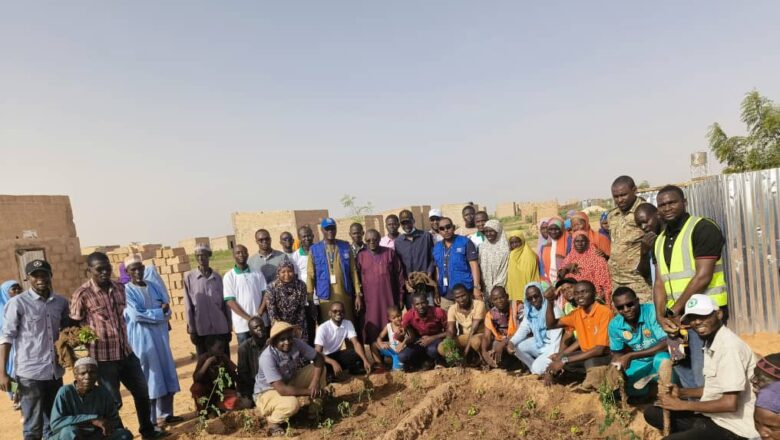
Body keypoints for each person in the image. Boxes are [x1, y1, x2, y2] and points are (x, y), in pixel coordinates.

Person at [71, 253, 165, 439]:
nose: (105, 272)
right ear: (89, 270)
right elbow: (73, 331)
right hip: (103, 360)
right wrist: (82, 358)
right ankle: (119, 434)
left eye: (107, 267)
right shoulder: (82, 294)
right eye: (99, 269)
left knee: (142, 392)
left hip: (127, 353)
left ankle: (147, 430)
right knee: (113, 401)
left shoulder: (119, 288)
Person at [643, 294, 760, 439]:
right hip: (714, 416)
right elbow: (716, 388)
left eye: (703, 316)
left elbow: (730, 403)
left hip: (733, 426)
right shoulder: (711, 342)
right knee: (652, 413)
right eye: (692, 318)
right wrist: (682, 393)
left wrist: (682, 405)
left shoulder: (729, 347)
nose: (697, 322)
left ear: (719, 314)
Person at [652, 185, 728, 389]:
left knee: (704, 371)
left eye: (672, 202)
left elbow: (703, 276)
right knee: (681, 365)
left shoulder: (703, 228)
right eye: (662, 205)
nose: (667, 208)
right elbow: (659, 282)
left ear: (684, 203)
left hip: (704, 316)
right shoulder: (659, 240)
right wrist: (661, 316)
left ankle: (711, 415)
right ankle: (695, 413)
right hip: (674, 320)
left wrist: (675, 310)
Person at [0, 260, 70, 440]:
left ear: (50, 275)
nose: (40, 279)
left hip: (55, 372)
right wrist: (2, 373)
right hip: (29, 374)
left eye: (44, 274)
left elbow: (67, 332)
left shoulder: (61, 302)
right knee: (32, 427)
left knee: (54, 423)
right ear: (28, 278)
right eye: (35, 275)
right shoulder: (18, 303)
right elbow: (6, 338)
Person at [123, 256, 182, 428]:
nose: (137, 272)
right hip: (143, 340)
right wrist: (158, 313)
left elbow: (168, 309)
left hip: (161, 337)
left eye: (139, 268)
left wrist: (159, 312)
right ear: (128, 272)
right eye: (133, 269)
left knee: (166, 372)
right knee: (151, 377)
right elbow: (136, 315)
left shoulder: (154, 286)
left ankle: (166, 414)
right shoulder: (127, 291)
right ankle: (151, 420)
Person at [254, 322, 326, 437]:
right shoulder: (267, 357)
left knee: (318, 369)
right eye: (282, 340)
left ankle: (314, 411)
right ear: (274, 342)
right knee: (292, 404)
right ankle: (273, 422)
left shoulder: (296, 343)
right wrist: (311, 391)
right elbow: (282, 390)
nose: (287, 342)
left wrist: (315, 382)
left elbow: (318, 358)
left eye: (289, 338)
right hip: (267, 392)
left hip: (289, 381)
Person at [49, 357, 133, 440]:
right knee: (70, 431)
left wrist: (109, 426)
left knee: (124, 435)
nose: (87, 377)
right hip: (70, 436)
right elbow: (56, 423)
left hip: (95, 435)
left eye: (92, 373)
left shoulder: (103, 392)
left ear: (97, 374)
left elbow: (114, 420)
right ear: (75, 375)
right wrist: (92, 419)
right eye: (82, 373)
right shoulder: (65, 391)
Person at [543, 281, 611, 382]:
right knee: (558, 359)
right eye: (577, 293)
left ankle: (599, 383)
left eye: (584, 292)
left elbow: (599, 350)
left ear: (594, 293)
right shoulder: (577, 314)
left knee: (589, 362)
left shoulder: (604, 312)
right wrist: (550, 301)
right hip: (586, 354)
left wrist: (564, 360)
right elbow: (551, 324)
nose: (580, 296)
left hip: (605, 355)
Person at [608, 287, 669, 398]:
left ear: (637, 301)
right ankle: (653, 391)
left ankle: (667, 392)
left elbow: (666, 343)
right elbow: (617, 353)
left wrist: (631, 355)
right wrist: (615, 366)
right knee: (621, 392)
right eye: (620, 307)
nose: (626, 309)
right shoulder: (614, 325)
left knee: (662, 359)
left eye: (630, 304)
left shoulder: (652, 312)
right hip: (640, 362)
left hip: (660, 356)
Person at [307, 218, 362, 323]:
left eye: (333, 228)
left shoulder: (345, 246)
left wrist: (358, 294)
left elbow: (353, 271)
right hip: (325, 297)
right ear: (322, 230)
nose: (330, 231)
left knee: (347, 323)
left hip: (345, 294)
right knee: (330, 325)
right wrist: (310, 299)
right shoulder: (314, 249)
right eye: (327, 229)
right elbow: (310, 275)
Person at [607, 175, 652, 302]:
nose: (620, 200)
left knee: (645, 317)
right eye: (616, 197)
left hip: (639, 282)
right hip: (617, 281)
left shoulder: (645, 211)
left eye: (623, 195)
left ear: (635, 190)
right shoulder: (613, 215)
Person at [358, 229, 406, 343]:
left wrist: (400, 297)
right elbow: (357, 279)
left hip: (389, 298)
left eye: (374, 239)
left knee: (391, 324)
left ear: (380, 239)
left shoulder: (389, 253)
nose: (372, 242)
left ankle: (393, 354)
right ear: (365, 241)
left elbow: (399, 276)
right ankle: (377, 356)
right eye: (368, 240)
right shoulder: (361, 256)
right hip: (370, 301)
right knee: (372, 326)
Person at [183, 244, 232, 357]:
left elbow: (226, 304)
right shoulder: (189, 278)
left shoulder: (218, 278)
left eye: (203, 255)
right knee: (205, 362)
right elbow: (188, 306)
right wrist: (192, 330)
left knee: (223, 361)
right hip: (202, 329)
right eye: (198, 256)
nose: (200, 258)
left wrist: (228, 326)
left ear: (209, 256)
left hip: (220, 328)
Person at [510, 282, 563, 375]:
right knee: (517, 347)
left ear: (542, 294)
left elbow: (556, 341)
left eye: (536, 296)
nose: (534, 300)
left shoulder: (553, 310)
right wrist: (511, 342)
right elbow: (523, 328)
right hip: (540, 343)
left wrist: (553, 358)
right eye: (530, 298)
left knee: (538, 368)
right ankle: (534, 370)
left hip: (553, 347)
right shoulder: (530, 311)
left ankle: (543, 370)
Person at [432, 217, 482, 310]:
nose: (446, 230)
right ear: (439, 231)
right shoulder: (437, 248)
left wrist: (476, 287)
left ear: (453, 227)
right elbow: (438, 270)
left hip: (464, 293)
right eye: (442, 228)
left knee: (468, 322)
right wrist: (437, 290)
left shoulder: (465, 242)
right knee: (449, 322)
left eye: (448, 227)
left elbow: (474, 265)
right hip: (445, 294)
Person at [314, 302, 372, 381]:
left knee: (356, 353)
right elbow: (317, 353)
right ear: (330, 313)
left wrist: (365, 360)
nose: (338, 313)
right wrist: (333, 362)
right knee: (323, 366)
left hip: (337, 355)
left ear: (344, 313)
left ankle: (352, 370)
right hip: (325, 358)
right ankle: (330, 375)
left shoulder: (348, 323)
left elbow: (356, 343)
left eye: (341, 311)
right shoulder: (323, 328)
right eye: (335, 311)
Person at [223, 244, 268, 344]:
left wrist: (259, 313)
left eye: (243, 252)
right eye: (238, 253)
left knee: (262, 350)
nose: (241, 255)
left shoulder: (257, 273)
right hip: (242, 325)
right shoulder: (229, 276)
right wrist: (249, 319)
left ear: (247, 254)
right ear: (233, 256)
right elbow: (230, 301)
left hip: (260, 322)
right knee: (246, 353)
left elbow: (266, 294)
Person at [559, 231, 613, 303]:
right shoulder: (568, 259)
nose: (580, 244)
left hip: (592, 299)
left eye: (582, 241)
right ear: (573, 243)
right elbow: (560, 279)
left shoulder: (597, 258)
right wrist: (566, 269)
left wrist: (599, 300)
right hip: (571, 301)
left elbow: (605, 284)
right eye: (577, 241)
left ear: (588, 242)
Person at [437, 284, 485, 365]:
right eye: (457, 297)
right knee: (442, 347)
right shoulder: (452, 309)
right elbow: (450, 330)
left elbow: (474, 329)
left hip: (479, 335)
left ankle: (482, 360)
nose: (461, 299)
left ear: (469, 294)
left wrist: (466, 351)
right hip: (465, 336)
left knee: (475, 341)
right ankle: (459, 362)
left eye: (463, 296)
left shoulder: (479, 304)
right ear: (454, 298)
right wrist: (449, 346)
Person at [191, 338, 242, 413]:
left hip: (221, 393)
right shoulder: (204, 358)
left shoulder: (223, 358)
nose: (222, 350)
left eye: (223, 348)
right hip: (207, 393)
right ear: (210, 348)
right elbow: (196, 378)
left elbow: (234, 375)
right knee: (196, 388)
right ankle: (203, 411)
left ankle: (218, 408)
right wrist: (207, 363)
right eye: (219, 348)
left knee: (237, 401)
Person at [394, 211, 434, 305]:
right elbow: (399, 265)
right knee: (413, 315)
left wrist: (429, 272)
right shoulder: (398, 242)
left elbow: (433, 257)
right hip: (410, 286)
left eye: (408, 221)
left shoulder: (425, 236)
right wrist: (405, 281)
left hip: (426, 282)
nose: (406, 225)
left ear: (413, 221)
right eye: (403, 223)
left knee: (428, 312)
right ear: (400, 224)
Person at [399, 292, 447, 369]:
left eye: (423, 303)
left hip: (436, 339)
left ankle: (440, 361)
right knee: (402, 356)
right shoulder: (409, 315)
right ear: (413, 306)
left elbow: (450, 331)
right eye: (417, 304)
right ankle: (422, 363)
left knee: (432, 350)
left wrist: (432, 338)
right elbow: (402, 330)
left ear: (427, 302)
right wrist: (401, 335)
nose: (421, 306)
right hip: (419, 340)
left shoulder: (438, 312)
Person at [266, 261, 310, 342]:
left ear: (293, 272)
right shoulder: (271, 287)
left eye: (290, 271)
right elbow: (271, 310)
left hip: (298, 322)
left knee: (300, 346)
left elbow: (301, 307)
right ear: (278, 273)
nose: (287, 274)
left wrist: (297, 327)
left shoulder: (301, 285)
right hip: (279, 323)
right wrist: (281, 327)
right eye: (283, 272)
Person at [482, 286, 522, 369]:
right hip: (500, 341)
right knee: (492, 348)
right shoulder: (490, 314)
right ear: (492, 301)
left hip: (518, 339)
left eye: (501, 297)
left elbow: (523, 331)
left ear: (507, 296)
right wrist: (484, 351)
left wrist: (504, 343)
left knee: (512, 346)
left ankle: (522, 364)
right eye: (495, 299)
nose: (499, 301)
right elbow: (486, 336)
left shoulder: (518, 307)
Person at [0, 280, 23, 408]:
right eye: (13, 289)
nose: (17, 291)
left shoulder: (24, 305)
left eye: (19, 288)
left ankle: (20, 398)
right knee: (9, 372)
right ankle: (15, 395)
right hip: (6, 348)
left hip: (21, 346)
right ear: (5, 292)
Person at [237, 317, 266, 402]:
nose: (259, 328)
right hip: (251, 387)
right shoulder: (244, 348)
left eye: (261, 326)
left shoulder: (271, 344)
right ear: (250, 332)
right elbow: (243, 374)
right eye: (255, 327)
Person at [634, 203, 664, 286]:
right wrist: (644, 253)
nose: (643, 227)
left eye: (645, 222)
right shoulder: (648, 241)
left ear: (657, 215)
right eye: (639, 224)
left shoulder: (670, 235)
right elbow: (645, 274)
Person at [479, 219, 509, 300]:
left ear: (498, 231)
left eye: (491, 231)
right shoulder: (482, 247)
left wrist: (496, 289)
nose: (488, 234)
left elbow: (505, 270)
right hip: (485, 288)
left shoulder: (505, 248)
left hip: (501, 288)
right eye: (486, 231)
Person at [505, 231, 540, 301]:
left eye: (517, 242)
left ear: (522, 241)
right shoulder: (510, 255)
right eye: (512, 243)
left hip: (530, 293)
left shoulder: (529, 255)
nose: (514, 245)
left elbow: (530, 275)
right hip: (515, 293)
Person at [372, 306, 406, 371]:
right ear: (390, 319)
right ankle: (380, 366)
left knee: (396, 371)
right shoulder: (388, 326)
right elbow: (379, 337)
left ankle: (399, 365)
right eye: (394, 318)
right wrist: (381, 344)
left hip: (399, 350)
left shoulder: (404, 324)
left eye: (399, 316)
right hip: (390, 349)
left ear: (401, 314)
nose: (397, 319)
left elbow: (407, 338)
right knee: (374, 344)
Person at [540, 216, 569, 284]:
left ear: (561, 229)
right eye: (551, 229)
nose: (553, 232)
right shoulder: (544, 247)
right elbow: (543, 267)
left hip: (566, 281)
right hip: (549, 282)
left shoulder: (568, 242)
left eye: (556, 229)